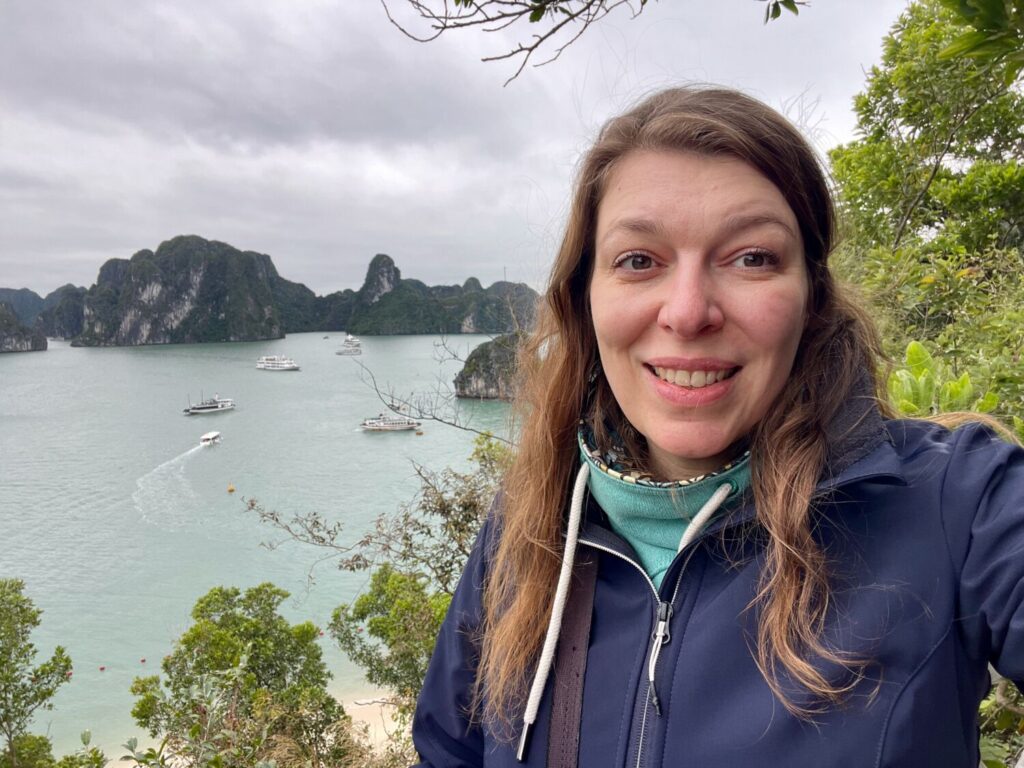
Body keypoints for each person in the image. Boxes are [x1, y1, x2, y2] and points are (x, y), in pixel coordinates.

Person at [410, 86, 1024, 767]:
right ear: (586, 298)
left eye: (752, 257)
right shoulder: (528, 527)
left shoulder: (955, 502)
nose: (689, 311)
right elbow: (449, 751)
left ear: (811, 297)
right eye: (639, 261)